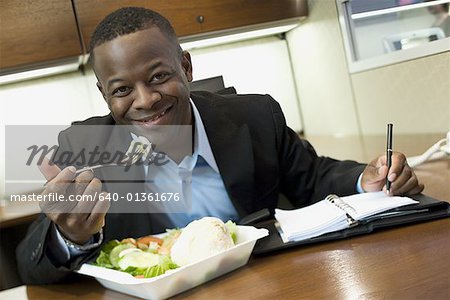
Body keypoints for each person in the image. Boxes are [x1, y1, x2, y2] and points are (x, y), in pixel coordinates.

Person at [16, 7, 424, 284]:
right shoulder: (86, 148)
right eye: (122, 89)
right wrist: (70, 237)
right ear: (105, 95)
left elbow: (312, 177)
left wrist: (364, 180)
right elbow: (29, 263)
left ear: (186, 67)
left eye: (158, 77)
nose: (144, 100)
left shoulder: (256, 117)